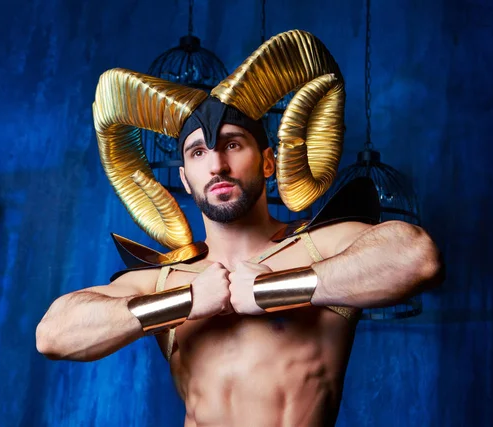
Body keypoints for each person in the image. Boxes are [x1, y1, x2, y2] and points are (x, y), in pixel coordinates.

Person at [36, 30, 444, 426]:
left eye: (232, 144)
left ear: (268, 162)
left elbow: (417, 258)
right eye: (198, 152)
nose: (216, 165)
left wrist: (274, 289)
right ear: (184, 176)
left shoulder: (320, 247)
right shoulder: (166, 281)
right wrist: (187, 301)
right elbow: (54, 334)